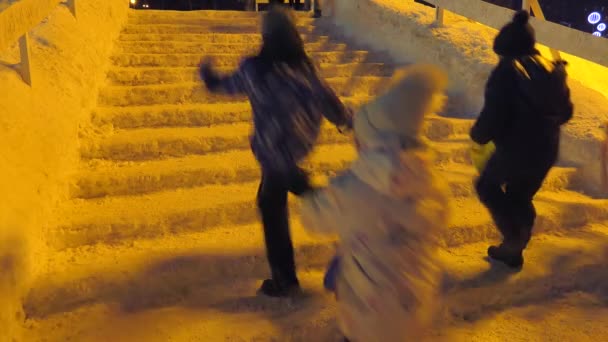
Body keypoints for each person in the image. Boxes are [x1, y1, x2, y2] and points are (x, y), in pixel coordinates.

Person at [199, 5, 352, 297]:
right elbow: (329, 101)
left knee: (272, 204)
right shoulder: (304, 68)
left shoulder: (255, 69)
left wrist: (209, 77)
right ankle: (339, 219)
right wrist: (349, 122)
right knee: (286, 190)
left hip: (273, 150)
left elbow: (226, 85)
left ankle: (287, 279)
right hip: (298, 145)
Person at [299, 64, 450, 342]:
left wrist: (310, 192)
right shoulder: (431, 182)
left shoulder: (358, 186)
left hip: (369, 312)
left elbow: (314, 216)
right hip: (414, 305)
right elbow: (437, 219)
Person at [470, 10, 573, 268]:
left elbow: (494, 114)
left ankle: (514, 238)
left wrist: (479, 135)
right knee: (520, 196)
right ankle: (515, 246)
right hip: (546, 150)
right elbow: (566, 112)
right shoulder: (552, 71)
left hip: (514, 150)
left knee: (487, 186)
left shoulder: (507, 71)